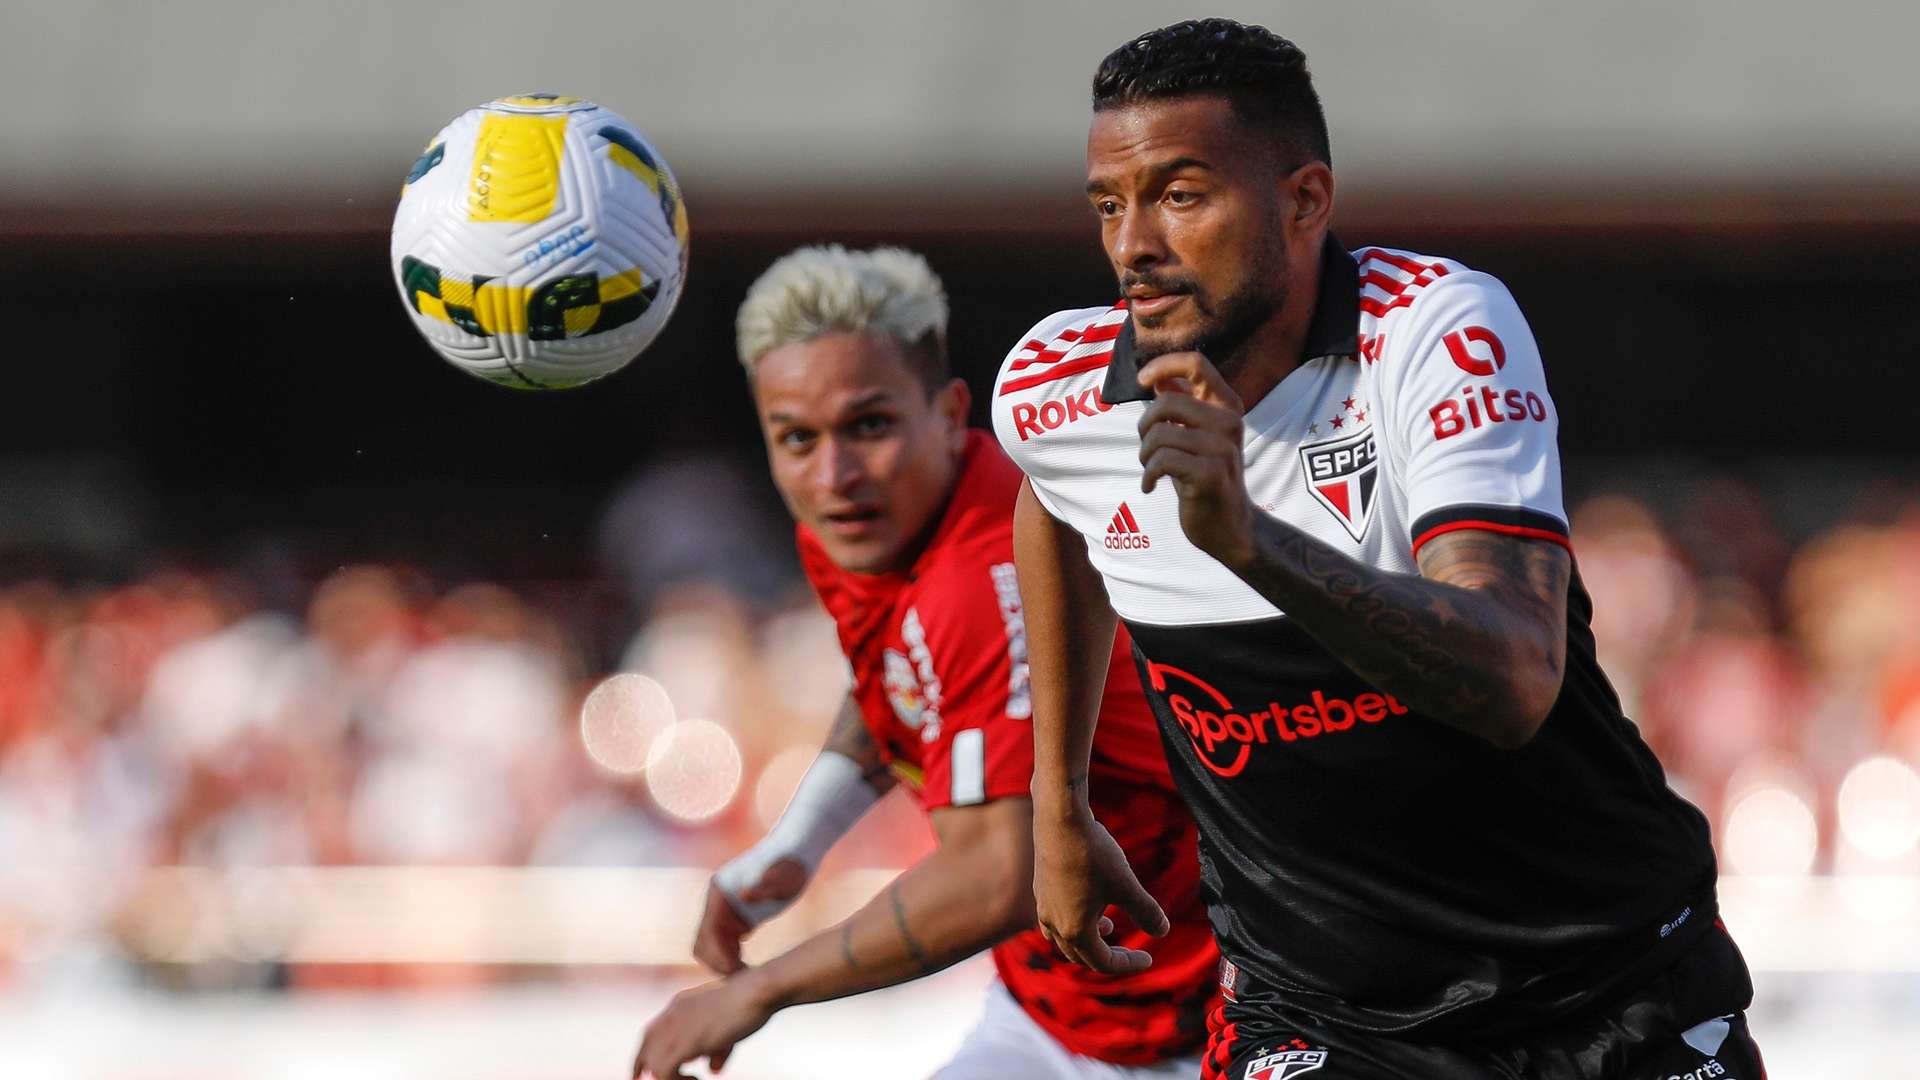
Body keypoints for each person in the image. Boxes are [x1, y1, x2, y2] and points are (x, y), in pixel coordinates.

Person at [992, 19, 1766, 1080]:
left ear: (1306, 200)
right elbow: (1052, 500)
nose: (1134, 245)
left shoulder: (1436, 331)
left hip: (1604, 990)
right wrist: (1060, 804)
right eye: (1109, 206)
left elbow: (1515, 679)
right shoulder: (1052, 386)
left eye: (1180, 195)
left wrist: (1250, 543)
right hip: (1316, 1015)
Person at [632, 245, 1218, 1080]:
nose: (834, 474)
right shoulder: (870, 525)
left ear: (948, 414)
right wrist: (800, 839)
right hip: (1056, 1017)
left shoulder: (980, 575)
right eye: (797, 438)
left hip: (1201, 1027)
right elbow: (898, 681)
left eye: (869, 425)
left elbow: (996, 875)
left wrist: (759, 990)